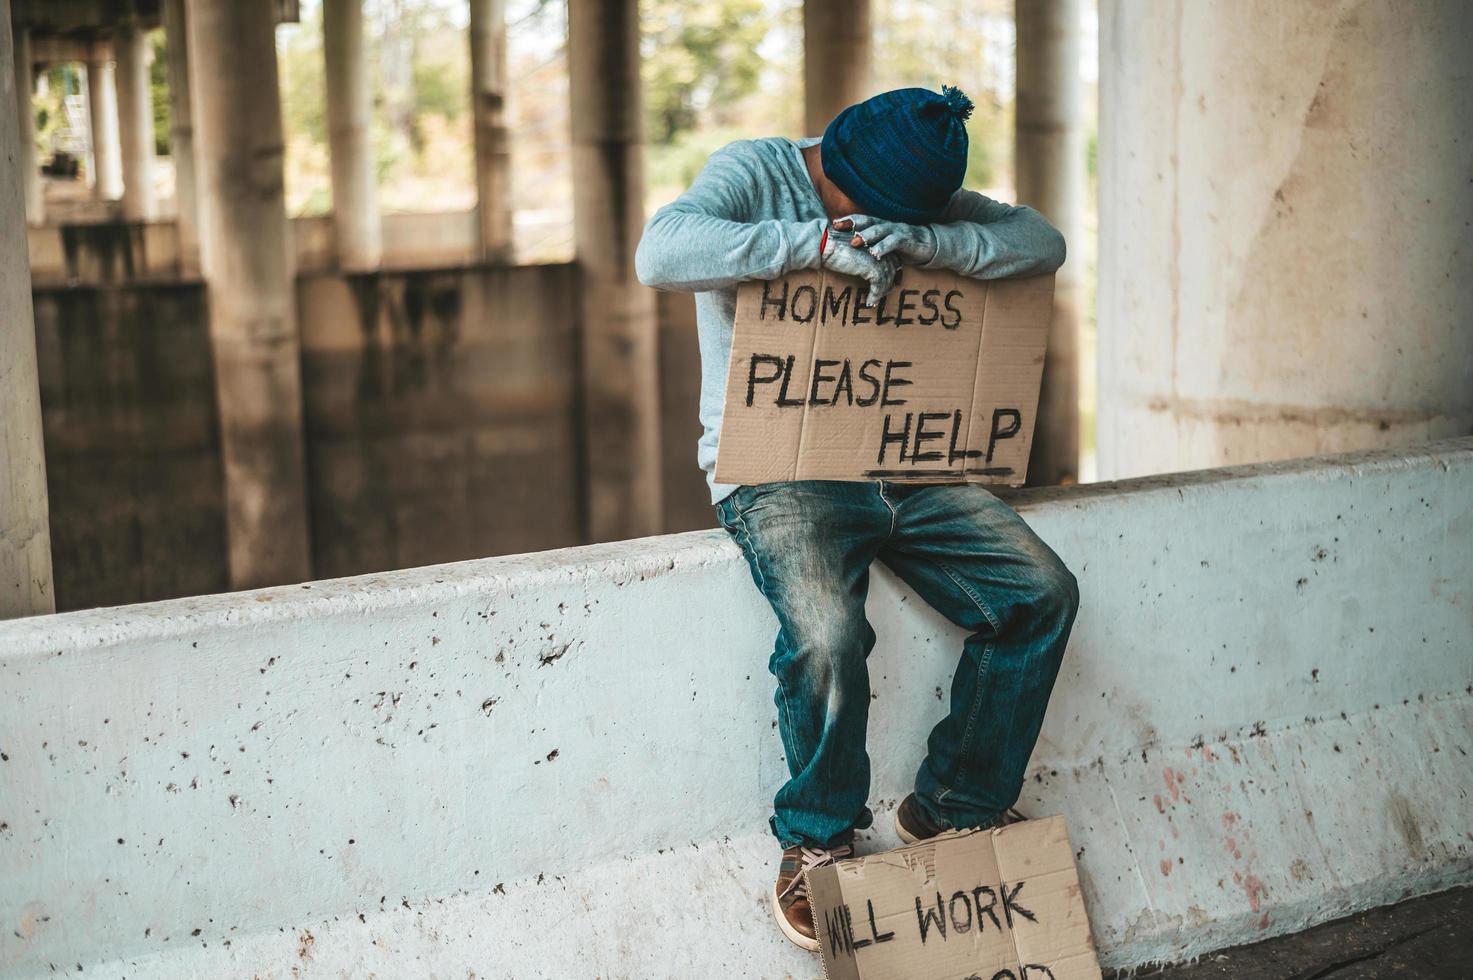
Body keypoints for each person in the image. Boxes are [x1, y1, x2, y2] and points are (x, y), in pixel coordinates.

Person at [634, 85, 1080, 952]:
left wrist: (931, 240)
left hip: (907, 461)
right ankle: (818, 839)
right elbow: (662, 252)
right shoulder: (755, 172)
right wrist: (812, 247)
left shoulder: (920, 204)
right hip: (780, 472)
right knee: (830, 633)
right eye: (867, 211)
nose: (881, 223)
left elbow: (1041, 242)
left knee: (1039, 593)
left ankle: (953, 807)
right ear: (834, 166)